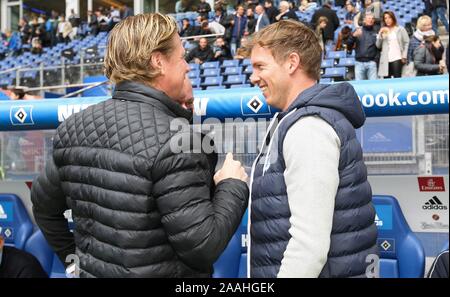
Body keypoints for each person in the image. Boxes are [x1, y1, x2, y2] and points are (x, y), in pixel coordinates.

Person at [31, 13, 249, 278]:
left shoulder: (74, 126)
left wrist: (73, 262)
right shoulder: (180, 140)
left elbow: (43, 207)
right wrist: (232, 185)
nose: (188, 66)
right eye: (181, 57)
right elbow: (203, 246)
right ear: (158, 61)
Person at [248, 19, 378, 278]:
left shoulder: (308, 127)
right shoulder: (297, 120)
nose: (254, 77)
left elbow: (309, 248)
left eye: (260, 66)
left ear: (292, 63)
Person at [376, 11, 409, 78]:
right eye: (385, 18)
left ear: (393, 18)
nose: (387, 20)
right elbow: (378, 46)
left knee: (397, 79)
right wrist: (380, 35)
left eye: (389, 17)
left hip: (397, 57)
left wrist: (404, 56)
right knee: (387, 81)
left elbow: (406, 42)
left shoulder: (400, 29)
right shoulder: (383, 30)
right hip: (385, 59)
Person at [347, 14, 379, 80]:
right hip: (359, 63)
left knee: (373, 86)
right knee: (359, 86)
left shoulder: (376, 31)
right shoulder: (358, 30)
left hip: (372, 63)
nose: (371, 20)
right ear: (364, 20)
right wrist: (353, 36)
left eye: (372, 19)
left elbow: (379, 47)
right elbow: (349, 45)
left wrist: (376, 60)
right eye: (369, 18)